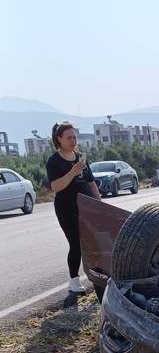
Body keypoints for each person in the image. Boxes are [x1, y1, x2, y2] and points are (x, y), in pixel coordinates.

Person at [46, 122, 101, 294]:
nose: (73, 141)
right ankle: (74, 279)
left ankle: (98, 275)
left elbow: (90, 182)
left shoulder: (81, 158)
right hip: (67, 208)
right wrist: (72, 172)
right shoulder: (54, 161)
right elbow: (55, 186)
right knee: (76, 243)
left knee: (93, 242)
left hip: (87, 207)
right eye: (69, 137)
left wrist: (99, 204)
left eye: (74, 137)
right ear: (59, 139)